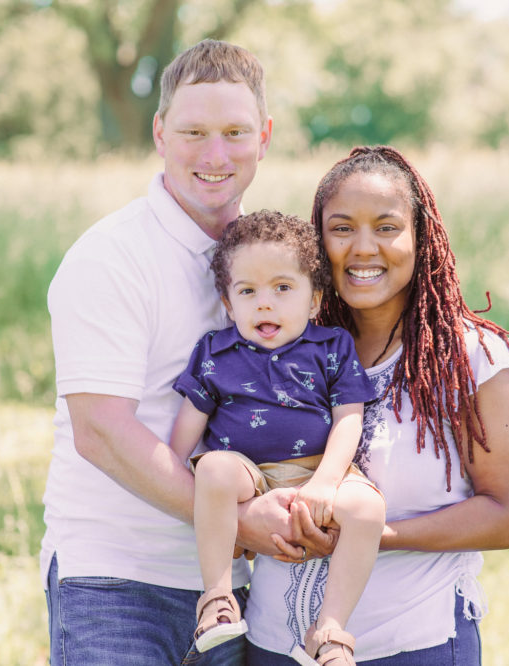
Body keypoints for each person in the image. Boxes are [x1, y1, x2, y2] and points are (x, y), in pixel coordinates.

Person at [243, 146, 509, 665]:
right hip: (270, 645)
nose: (363, 248)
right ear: (318, 244)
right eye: (341, 228)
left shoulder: (472, 360)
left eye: (386, 227)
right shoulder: (279, 349)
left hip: (412, 645)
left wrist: (371, 536)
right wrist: (252, 520)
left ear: (420, 239)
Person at [40, 39, 274, 665]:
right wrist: (242, 528)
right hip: (117, 581)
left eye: (235, 132)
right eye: (193, 132)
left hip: (245, 591)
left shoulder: (278, 262)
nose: (215, 154)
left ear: (265, 136)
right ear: (159, 132)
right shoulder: (111, 256)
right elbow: (101, 432)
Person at [168, 211, 385, 664]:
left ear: (313, 300)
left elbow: (349, 417)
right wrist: (173, 470)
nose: (264, 304)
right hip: (251, 474)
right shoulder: (215, 352)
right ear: (228, 304)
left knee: (367, 508)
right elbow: (186, 433)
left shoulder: (331, 347)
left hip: (317, 468)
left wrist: (327, 481)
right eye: (247, 292)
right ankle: (218, 599)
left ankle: (330, 629)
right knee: (213, 467)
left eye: (283, 288)